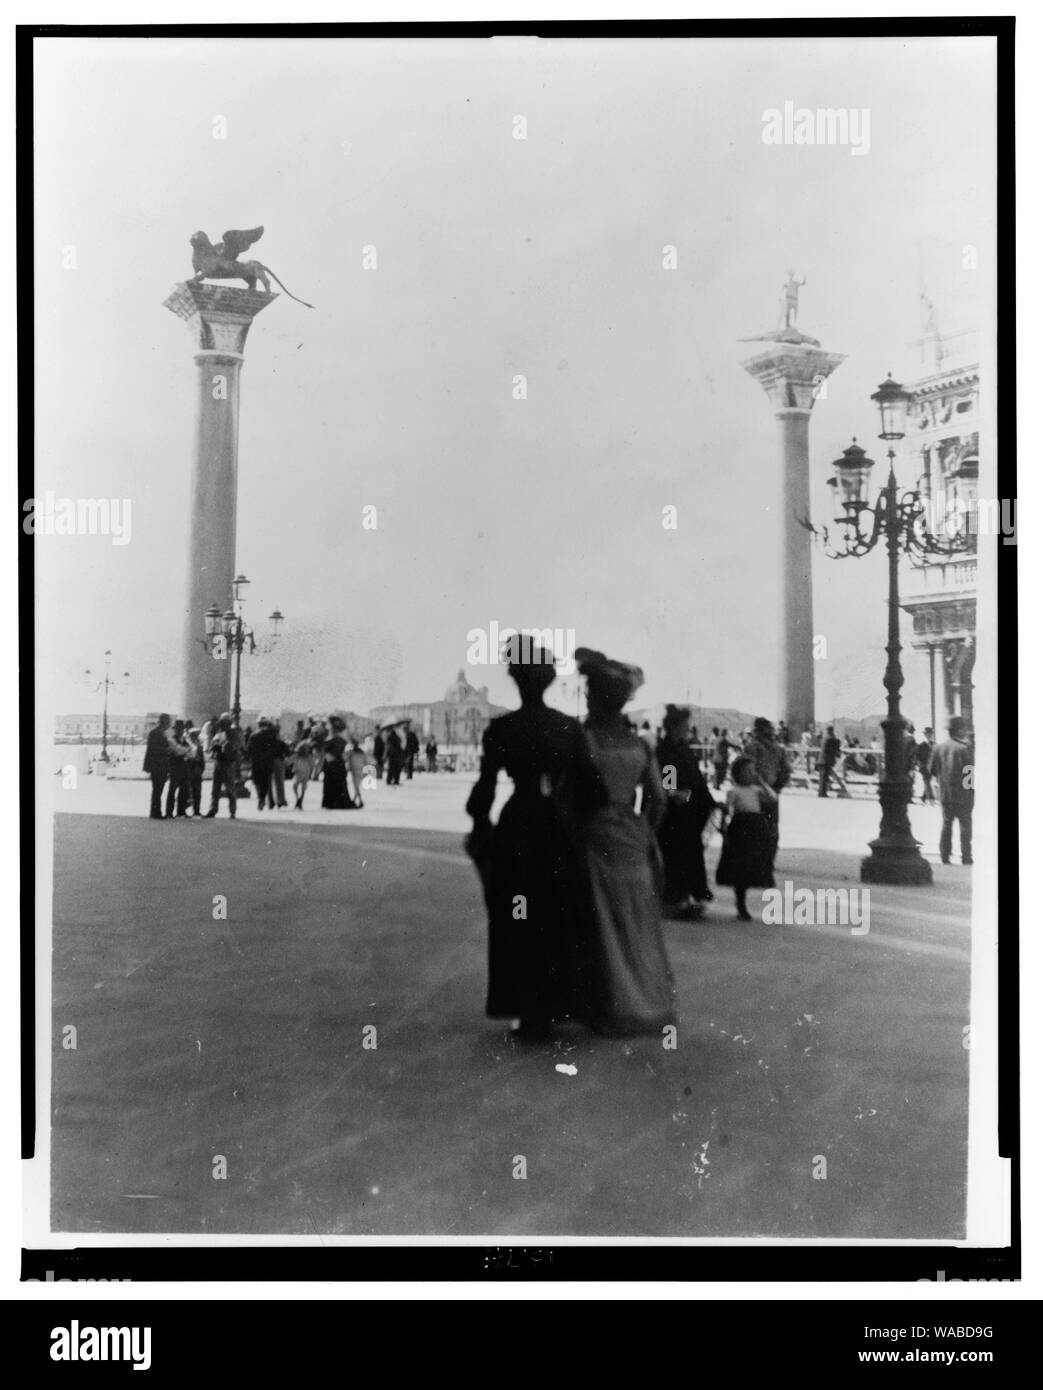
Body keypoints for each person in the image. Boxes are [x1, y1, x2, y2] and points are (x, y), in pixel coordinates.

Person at [465, 639, 604, 1037]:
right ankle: (560, 1001)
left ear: (515, 679)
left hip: (517, 827)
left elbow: (483, 793)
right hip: (558, 829)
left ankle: (526, 1007)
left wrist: (481, 830)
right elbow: (594, 791)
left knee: (518, 914)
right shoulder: (569, 728)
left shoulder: (502, 729)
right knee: (558, 912)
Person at [576, 648, 676, 1036]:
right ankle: (649, 1001)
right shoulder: (642, 746)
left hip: (597, 831)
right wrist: (646, 830)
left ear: (595, 699)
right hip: (632, 834)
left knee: (604, 919)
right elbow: (659, 797)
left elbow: (568, 797)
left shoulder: (585, 742)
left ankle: (611, 1004)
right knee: (636, 917)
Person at [656, 704, 718, 919]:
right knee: (674, 858)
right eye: (685, 726)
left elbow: (697, 780)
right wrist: (679, 794)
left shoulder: (684, 750)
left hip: (690, 813)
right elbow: (669, 782)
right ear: (674, 727)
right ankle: (675, 902)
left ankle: (690, 899)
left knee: (689, 856)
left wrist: (709, 800)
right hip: (674, 814)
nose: (688, 729)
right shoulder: (665, 751)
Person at [716, 754, 777, 920]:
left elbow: (772, 797)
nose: (751, 774)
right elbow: (727, 811)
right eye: (747, 771)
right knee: (740, 868)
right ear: (738, 774)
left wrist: (761, 781)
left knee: (752, 864)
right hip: (740, 828)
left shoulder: (756, 790)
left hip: (756, 828)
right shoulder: (734, 791)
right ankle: (740, 903)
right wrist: (723, 830)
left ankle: (743, 900)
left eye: (753, 771)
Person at [929, 717, 974, 865]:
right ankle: (966, 856)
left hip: (946, 794)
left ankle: (945, 856)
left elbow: (931, 770)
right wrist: (971, 791)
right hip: (963, 794)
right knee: (965, 826)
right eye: (963, 728)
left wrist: (944, 780)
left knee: (947, 824)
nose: (965, 731)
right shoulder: (964, 748)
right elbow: (969, 772)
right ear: (959, 730)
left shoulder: (939, 748)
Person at [747, 717, 789, 862]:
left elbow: (748, 770)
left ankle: (756, 858)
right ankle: (768, 859)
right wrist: (776, 787)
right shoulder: (779, 749)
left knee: (754, 826)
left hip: (755, 793)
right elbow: (786, 771)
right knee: (771, 826)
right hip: (772, 793)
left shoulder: (752, 747)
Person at [205, 714, 241, 818]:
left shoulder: (233, 734)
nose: (222, 726)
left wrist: (222, 745)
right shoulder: (220, 733)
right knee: (215, 788)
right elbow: (213, 745)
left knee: (230, 788)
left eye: (224, 724)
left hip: (228, 763)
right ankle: (213, 809)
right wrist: (215, 746)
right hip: (219, 762)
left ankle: (232, 811)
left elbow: (232, 747)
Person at [143, 713, 172, 820]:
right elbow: (153, 749)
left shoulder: (160, 733)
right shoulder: (156, 733)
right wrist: (167, 750)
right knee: (157, 789)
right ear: (164, 722)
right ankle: (155, 812)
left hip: (161, 765)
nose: (170, 724)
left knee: (158, 789)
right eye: (168, 721)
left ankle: (156, 811)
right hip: (157, 765)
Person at [321, 715, 353, 809]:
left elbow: (339, 753)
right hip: (333, 765)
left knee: (335, 784)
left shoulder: (337, 739)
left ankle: (334, 803)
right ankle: (333, 803)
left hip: (335, 765)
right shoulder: (337, 739)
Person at [249, 716, 279, 810]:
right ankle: (262, 798)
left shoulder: (253, 735)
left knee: (257, 781)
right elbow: (275, 748)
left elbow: (249, 749)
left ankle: (260, 798)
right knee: (265, 782)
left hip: (256, 762)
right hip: (267, 762)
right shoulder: (271, 735)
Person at [165, 719, 190, 818]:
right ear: (175, 730)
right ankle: (169, 812)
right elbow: (178, 751)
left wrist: (185, 750)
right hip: (175, 767)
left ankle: (181, 811)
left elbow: (191, 752)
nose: (181, 730)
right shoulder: (171, 740)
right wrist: (186, 750)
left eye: (182, 729)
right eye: (179, 728)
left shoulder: (183, 740)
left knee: (184, 790)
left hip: (183, 767)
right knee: (172, 790)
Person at [183, 724, 205, 817]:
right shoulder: (187, 745)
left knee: (197, 792)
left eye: (197, 734)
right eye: (194, 734)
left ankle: (196, 810)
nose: (196, 736)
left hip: (197, 770)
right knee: (188, 791)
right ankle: (183, 808)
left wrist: (201, 768)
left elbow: (202, 759)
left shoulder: (199, 745)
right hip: (189, 770)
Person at [817, 725, 842, 798]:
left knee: (822, 778)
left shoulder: (824, 738)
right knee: (824, 778)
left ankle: (821, 793)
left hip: (821, 760)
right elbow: (836, 747)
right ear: (832, 731)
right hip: (826, 761)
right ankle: (822, 794)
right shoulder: (831, 738)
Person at [270, 721, 290, 808]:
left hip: (269, 761)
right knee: (279, 782)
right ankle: (281, 800)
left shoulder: (268, 742)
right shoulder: (280, 742)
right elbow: (288, 752)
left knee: (269, 782)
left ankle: (270, 801)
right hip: (278, 761)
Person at [292, 734, 314, 809]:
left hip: (299, 766)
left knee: (295, 786)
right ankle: (301, 800)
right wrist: (311, 770)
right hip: (307, 767)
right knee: (303, 786)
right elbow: (312, 761)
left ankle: (298, 799)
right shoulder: (311, 746)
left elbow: (295, 756)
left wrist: (294, 768)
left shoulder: (301, 744)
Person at [917, 727, 936, 803]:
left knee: (927, 781)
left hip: (932, 767)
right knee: (927, 781)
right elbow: (918, 756)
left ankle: (924, 797)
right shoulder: (922, 745)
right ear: (925, 735)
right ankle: (931, 798)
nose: (929, 735)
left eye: (930, 734)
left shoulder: (934, 745)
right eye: (927, 734)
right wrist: (919, 764)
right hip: (924, 767)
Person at [347, 738, 368, 807]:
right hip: (361, 770)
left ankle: (360, 801)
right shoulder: (362, 752)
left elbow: (349, 763)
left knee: (356, 786)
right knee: (357, 786)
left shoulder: (351, 753)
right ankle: (355, 799)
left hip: (355, 770)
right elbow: (365, 761)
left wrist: (347, 770)